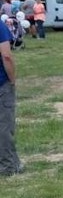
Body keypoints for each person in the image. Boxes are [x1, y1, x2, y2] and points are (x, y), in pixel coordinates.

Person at [0, 18, 23, 176]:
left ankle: (14, 163)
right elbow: (6, 55)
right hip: (1, 83)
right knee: (4, 126)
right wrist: (12, 79)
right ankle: (8, 165)